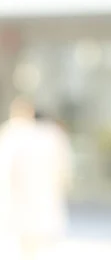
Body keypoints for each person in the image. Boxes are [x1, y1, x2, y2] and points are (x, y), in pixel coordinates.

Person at [0, 97, 73, 260]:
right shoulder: (51, 134)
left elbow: (6, 166)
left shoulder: (14, 133)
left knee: (28, 238)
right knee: (33, 237)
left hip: (25, 193)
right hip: (37, 193)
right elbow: (64, 163)